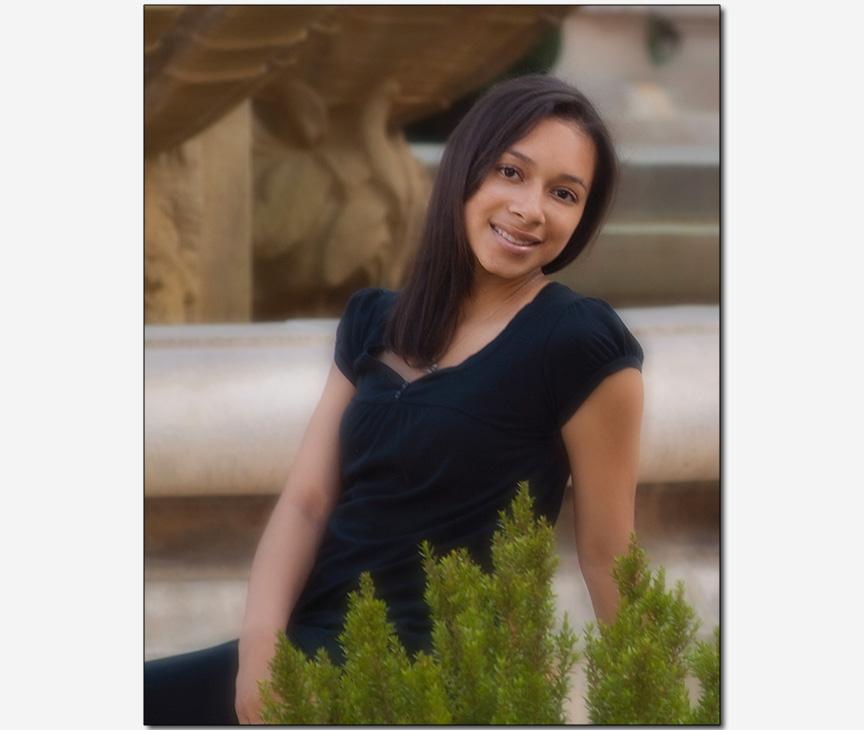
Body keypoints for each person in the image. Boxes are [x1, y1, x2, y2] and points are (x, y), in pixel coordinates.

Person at [144, 73, 644, 725]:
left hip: (434, 676)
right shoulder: (374, 320)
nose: (531, 209)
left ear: (581, 219)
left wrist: (648, 707)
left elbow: (607, 553)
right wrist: (261, 656)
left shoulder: (581, 343)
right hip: (310, 644)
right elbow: (306, 502)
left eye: (564, 193)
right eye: (511, 172)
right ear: (465, 168)